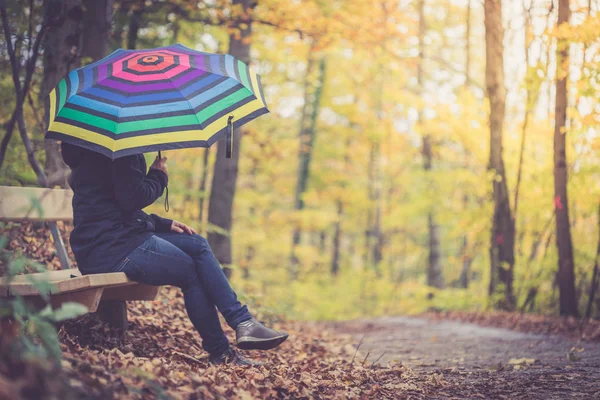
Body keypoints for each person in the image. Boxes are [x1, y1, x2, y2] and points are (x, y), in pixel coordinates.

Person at [60, 142, 288, 366]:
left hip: (106, 243)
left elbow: (111, 206)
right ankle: (222, 351)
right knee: (189, 270)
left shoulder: (97, 145)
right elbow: (132, 198)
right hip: (114, 249)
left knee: (197, 244)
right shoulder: (122, 150)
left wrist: (162, 223)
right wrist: (158, 176)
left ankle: (242, 322)